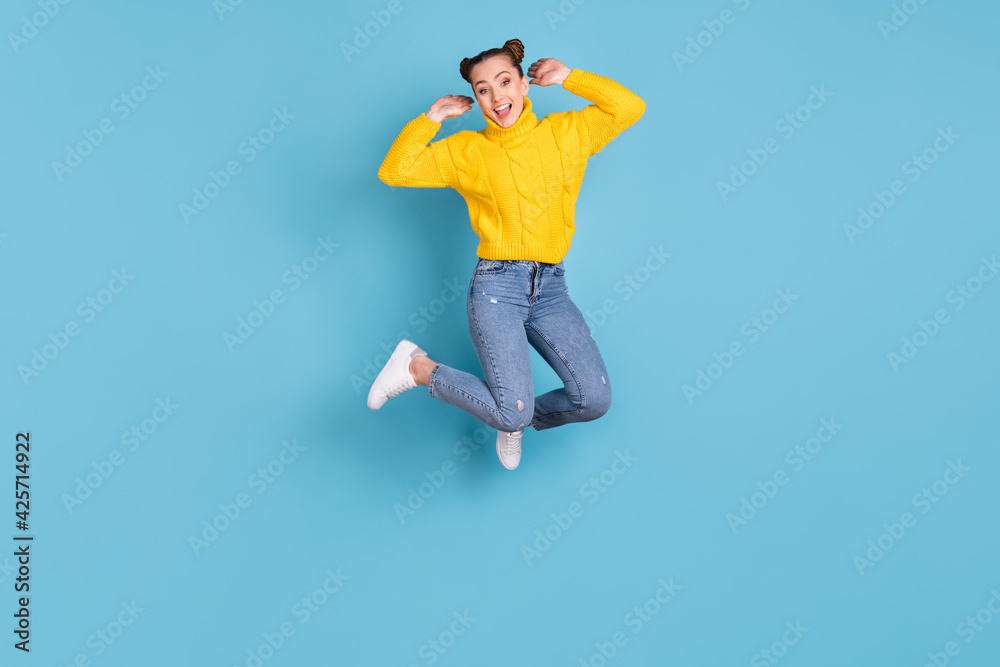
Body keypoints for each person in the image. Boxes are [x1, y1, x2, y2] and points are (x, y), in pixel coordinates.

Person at [368, 38, 645, 471]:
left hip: (551, 288)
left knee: (593, 399)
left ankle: (508, 413)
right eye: (483, 89)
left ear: (524, 85)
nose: (497, 97)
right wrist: (432, 118)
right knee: (511, 409)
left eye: (504, 82)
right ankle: (418, 367)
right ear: (476, 99)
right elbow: (395, 170)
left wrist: (570, 77)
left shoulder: (566, 133)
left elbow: (629, 108)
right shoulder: (467, 152)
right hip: (498, 287)